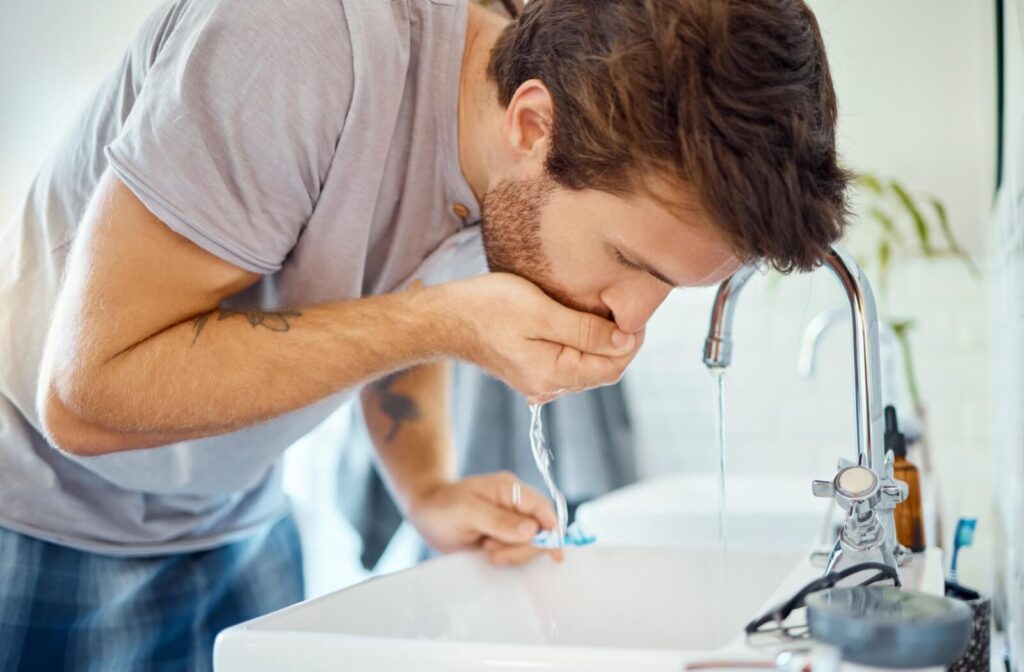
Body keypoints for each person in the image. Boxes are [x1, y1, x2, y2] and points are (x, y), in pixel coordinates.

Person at [0, 0, 851, 669]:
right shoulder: (297, 38)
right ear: (532, 126)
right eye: (633, 263)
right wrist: (446, 323)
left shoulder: (511, 123)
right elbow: (86, 394)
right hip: (40, 522)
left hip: (241, 523)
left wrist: (427, 488)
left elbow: (396, 272)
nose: (631, 321)